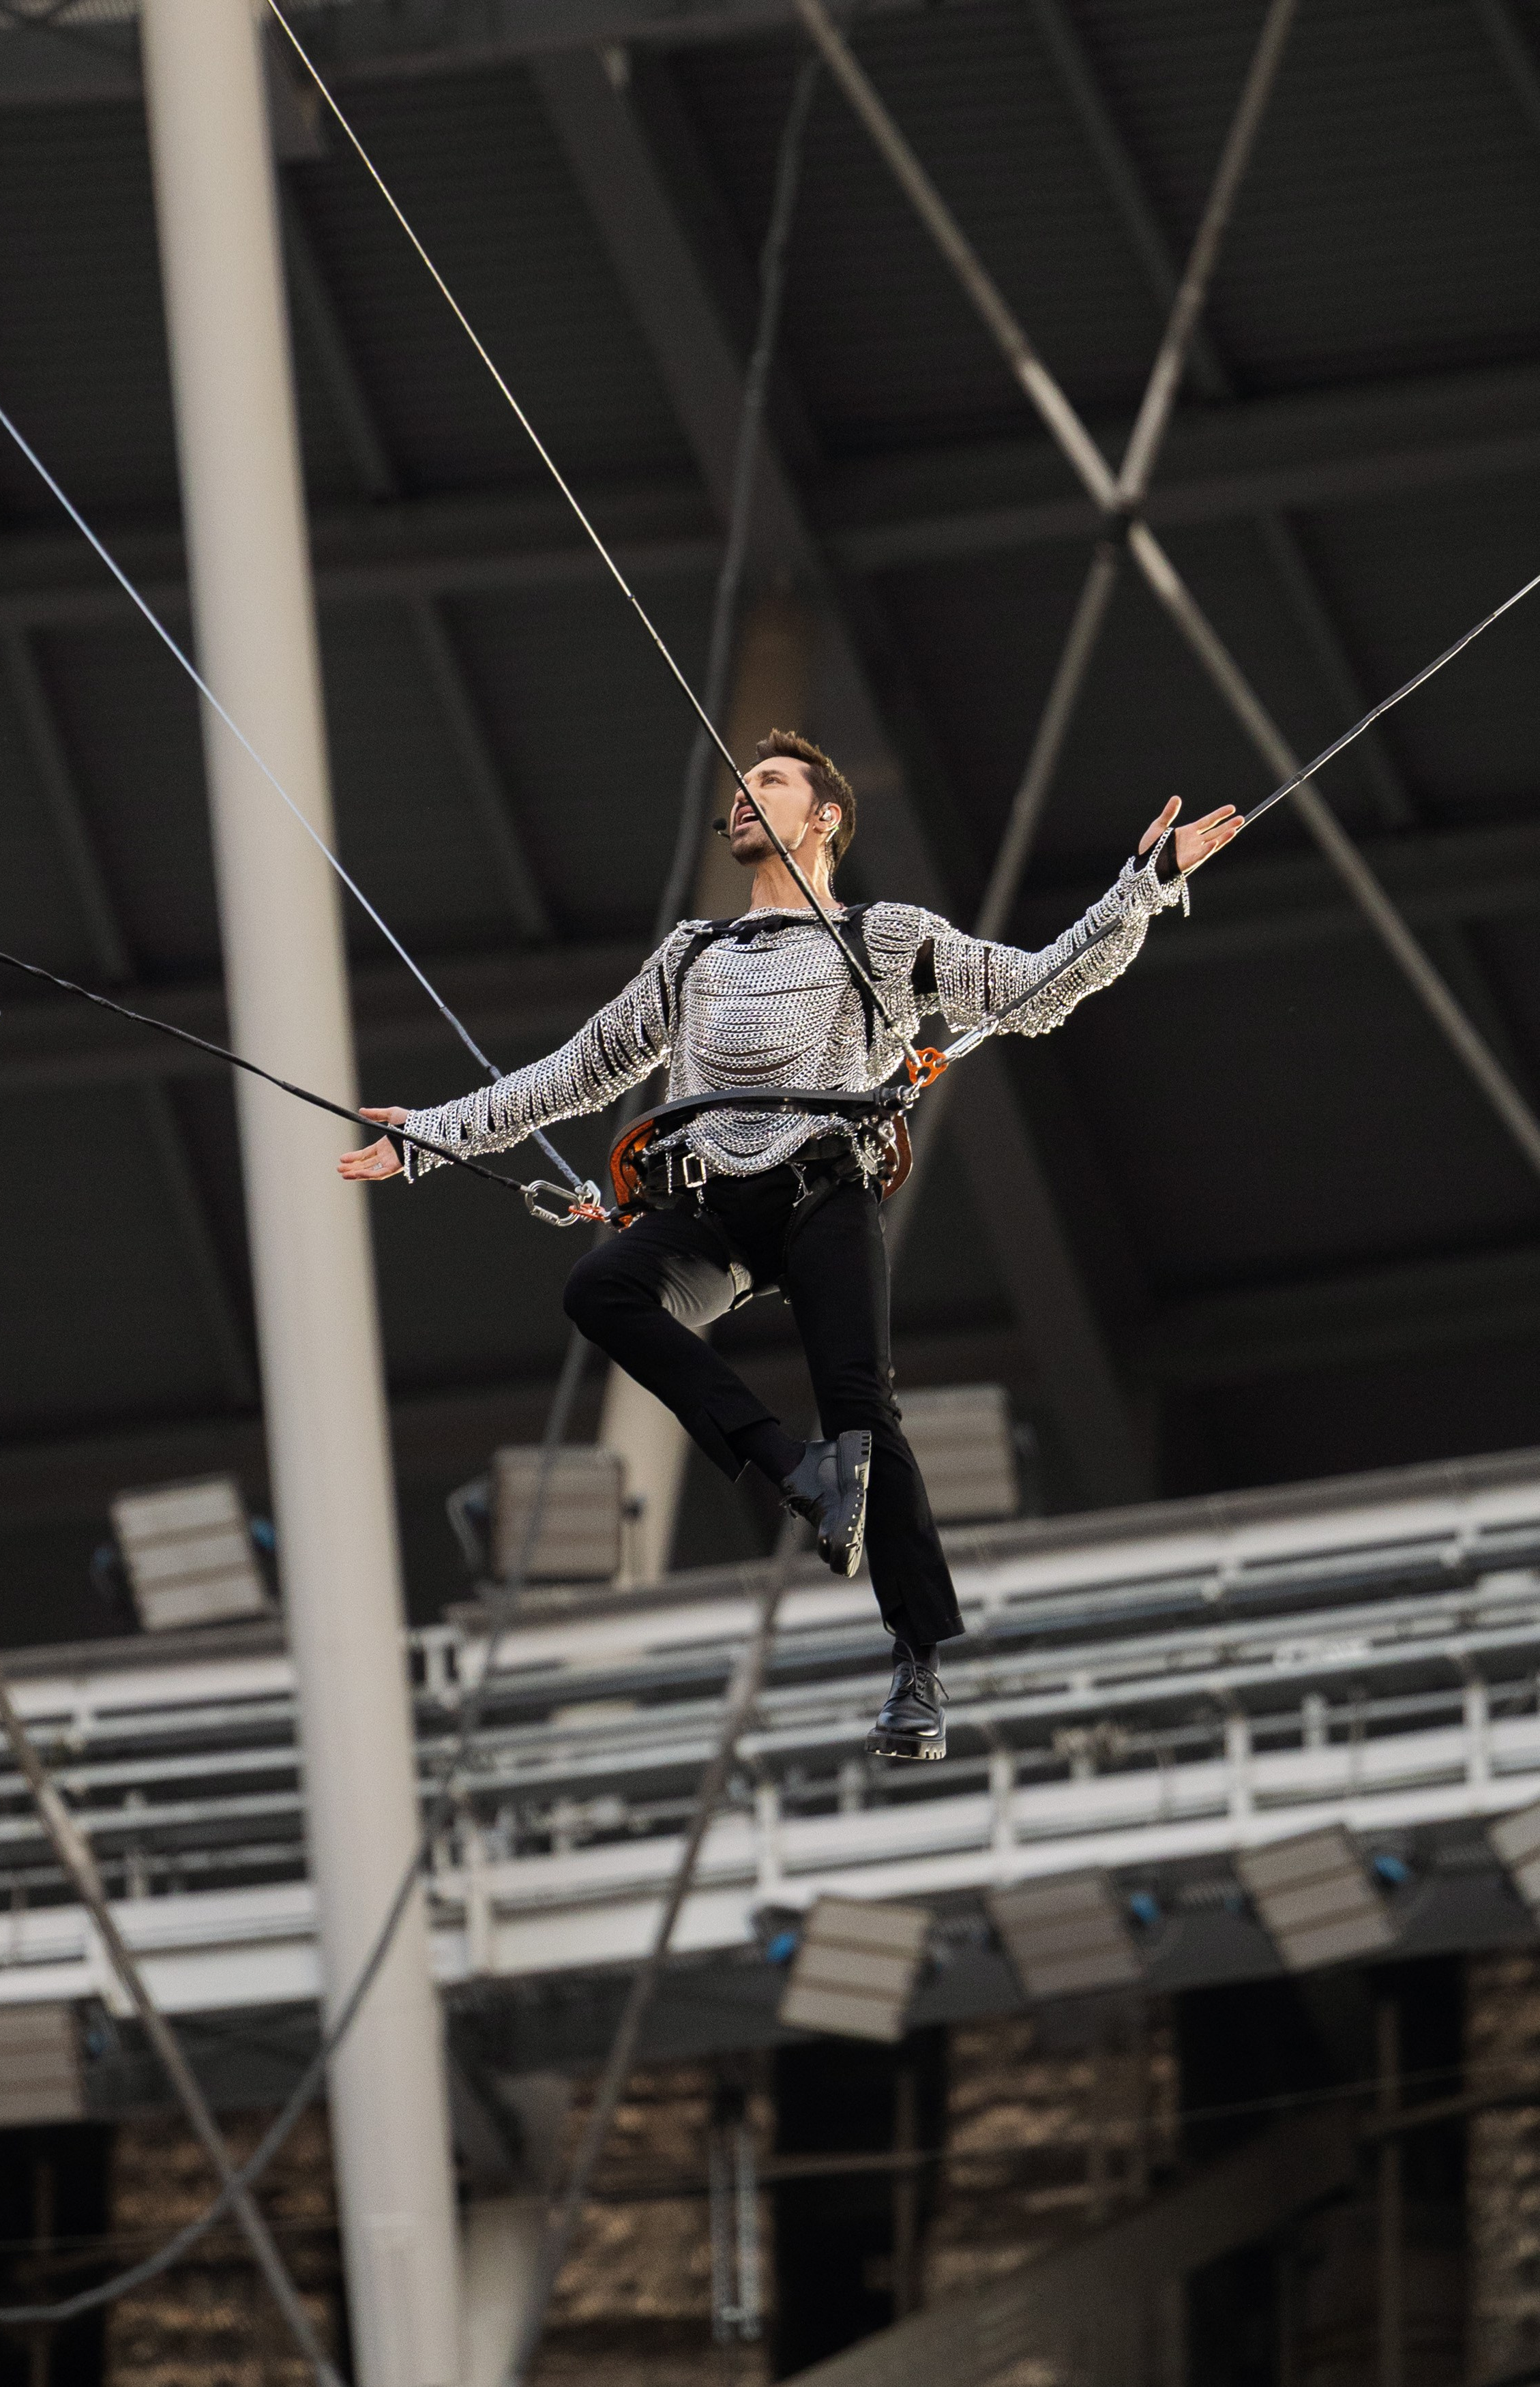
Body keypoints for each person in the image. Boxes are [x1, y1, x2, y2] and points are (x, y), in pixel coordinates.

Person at [340, 732, 1241, 1760]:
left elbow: (1036, 991)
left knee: (863, 1409)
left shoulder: (884, 936)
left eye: (764, 782)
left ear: (823, 818)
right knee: (603, 1290)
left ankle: (917, 1666)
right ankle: (788, 1468)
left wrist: (1141, 887)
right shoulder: (689, 956)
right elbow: (570, 1075)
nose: (739, 796)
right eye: (735, 786)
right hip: (707, 1209)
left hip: (824, 1190)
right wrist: (428, 1140)